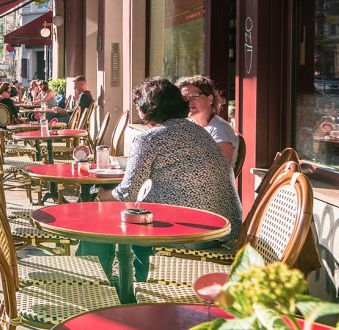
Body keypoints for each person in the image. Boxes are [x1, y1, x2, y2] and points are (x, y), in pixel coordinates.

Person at [89, 77, 242, 281]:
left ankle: (96, 281)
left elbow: (128, 193)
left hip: (190, 235)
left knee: (100, 217)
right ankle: (114, 280)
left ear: (146, 109)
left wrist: (101, 195)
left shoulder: (149, 139)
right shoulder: (200, 132)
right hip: (223, 230)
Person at [178, 75, 238, 165]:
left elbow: (220, 168)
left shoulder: (220, 129)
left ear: (210, 99)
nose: (188, 102)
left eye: (194, 96)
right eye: (184, 98)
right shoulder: (187, 126)